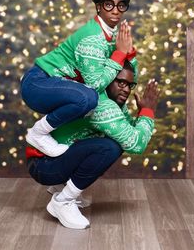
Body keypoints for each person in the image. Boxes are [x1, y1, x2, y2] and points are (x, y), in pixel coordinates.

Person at [26, 61, 159, 229]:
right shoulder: (102, 105)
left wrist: (142, 112)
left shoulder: (114, 103)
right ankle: (63, 201)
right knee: (110, 148)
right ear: (108, 78)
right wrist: (148, 112)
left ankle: (60, 186)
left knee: (114, 142)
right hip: (43, 166)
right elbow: (136, 143)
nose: (126, 89)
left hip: (50, 159)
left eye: (130, 85)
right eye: (121, 82)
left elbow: (130, 131)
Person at [21, 0, 136, 157]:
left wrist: (129, 54)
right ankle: (38, 133)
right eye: (108, 4)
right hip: (38, 84)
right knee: (89, 98)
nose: (115, 10)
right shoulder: (92, 38)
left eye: (121, 5)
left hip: (57, 86)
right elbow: (96, 84)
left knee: (90, 103)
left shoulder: (112, 36)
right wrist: (120, 53)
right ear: (98, 7)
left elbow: (124, 73)